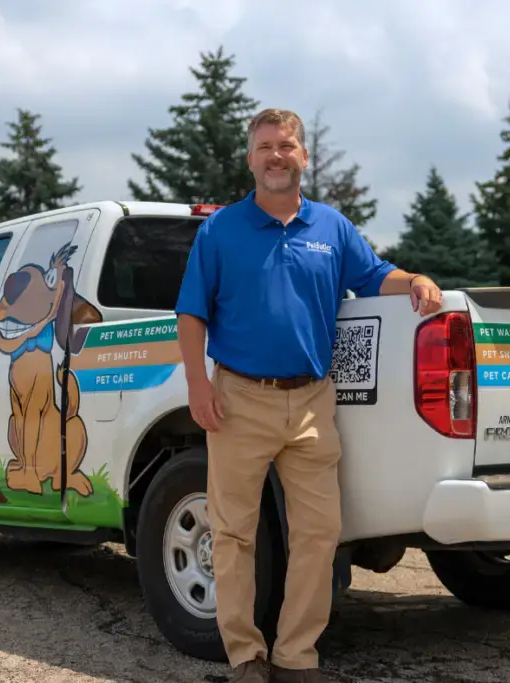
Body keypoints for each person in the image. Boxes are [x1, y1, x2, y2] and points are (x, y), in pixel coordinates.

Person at [174, 107, 443, 683]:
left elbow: (374, 275)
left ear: (303, 155)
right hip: (239, 399)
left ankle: (297, 656)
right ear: (250, 159)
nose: (276, 155)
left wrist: (415, 280)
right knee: (233, 532)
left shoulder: (332, 228)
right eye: (265, 146)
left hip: (314, 402)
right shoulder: (221, 230)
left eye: (287, 145)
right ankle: (245, 654)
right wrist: (198, 384)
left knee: (319, 535)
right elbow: (192, 312)